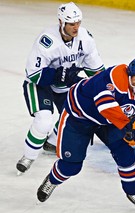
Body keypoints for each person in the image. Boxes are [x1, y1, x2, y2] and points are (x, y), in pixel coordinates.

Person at [36, 56, 135, 213]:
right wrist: (128, 127)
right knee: (71, 166)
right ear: (134, 79)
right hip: (79, 118)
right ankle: (52, 180)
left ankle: (133, 192)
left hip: (109, 122)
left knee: (126, 154)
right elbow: (105, 106)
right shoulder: (113, 78)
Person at [16, 2, 105, 175]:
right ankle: (28, 157)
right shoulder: (47, 41)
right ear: (61, 22)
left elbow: (97, 72)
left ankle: (52, 142)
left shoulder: (85, 38)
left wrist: (105, 88)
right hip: (40, 85)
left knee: (78, 117)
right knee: (44, 120)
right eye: (72, 23)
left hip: (64, 88)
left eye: (78, 23)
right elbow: (33, 74)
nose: (76, 27)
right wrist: (59, 75)